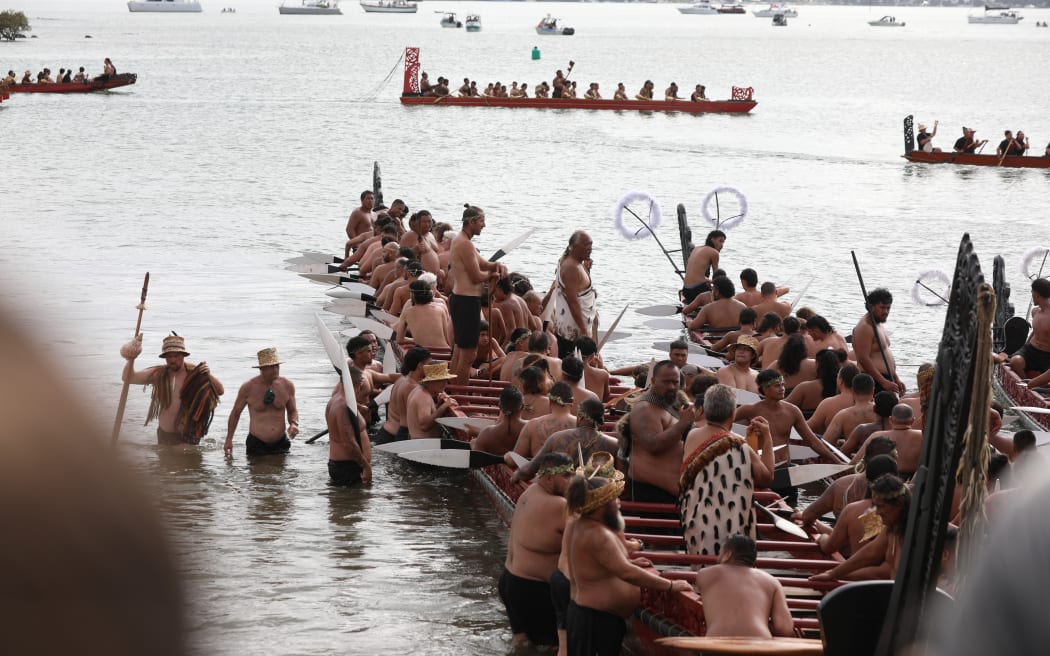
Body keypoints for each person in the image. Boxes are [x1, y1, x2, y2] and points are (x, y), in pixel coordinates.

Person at [564, 475, 692, 656]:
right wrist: (670, 585)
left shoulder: (581, 525)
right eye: (614, 499)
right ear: (601, 505)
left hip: (592, 618)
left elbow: (599, 564)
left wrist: (629, 562)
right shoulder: (597, 534)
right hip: (594, 621)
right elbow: (627, 573)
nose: (619, 503)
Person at [680, 385, 775, 555]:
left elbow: (729, 465)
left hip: (694, 526)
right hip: (729, 532)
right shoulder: (737, 443)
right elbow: (766, 477)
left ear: (705, 411)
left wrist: (748, 440)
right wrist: (767, 438)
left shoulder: (692, 436)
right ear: (733, 414)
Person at [500, 452, 575, 649]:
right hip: (533, 590)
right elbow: (589, 539)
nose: (573, 480)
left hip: (510, 581)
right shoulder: (560, 505)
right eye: (567, 476)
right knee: (555, 648)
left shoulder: (530, 493)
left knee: (523, 645)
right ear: (549, 478)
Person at [120, 333, 224, 446]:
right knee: (165, 462)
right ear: (165, 357)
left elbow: (220, 391)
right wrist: (131, 358)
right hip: (164, 435)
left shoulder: (195, 374)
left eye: (176, 356)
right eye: (169, 356)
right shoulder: (159, 374)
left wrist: (208, 375)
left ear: (183, 356)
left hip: (188, 436)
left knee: (185, 459)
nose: (173, 360)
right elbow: (128, 378)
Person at [811, 473, 910, 581]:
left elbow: (883, 573)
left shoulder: (911, 532)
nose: (877, 512)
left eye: (881, 506)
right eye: (875, 506)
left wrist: (837, 574)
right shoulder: (892, 527)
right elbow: (871, 552)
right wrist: (833, 573)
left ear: (899, 504)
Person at [735, 369, 844, 468]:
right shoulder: (750, 409)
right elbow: (723, 424)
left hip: (784, 468)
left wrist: (837, 461)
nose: (782, 389)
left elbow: (813, 441)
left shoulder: (793, 411)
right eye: (777, 386)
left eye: (783, 385)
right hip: (761, 468)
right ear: (765, 389)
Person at [449, 204, 508, 384]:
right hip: (466, 302)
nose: (484, 225)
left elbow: (482, 263)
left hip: (462, 300)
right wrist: (492, 275)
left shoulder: (464, 241)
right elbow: (476, 277)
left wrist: (495, 266)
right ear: (471, 222)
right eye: (482, 221)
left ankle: (453, 388)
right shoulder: (464, 243)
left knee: (460, 349)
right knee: (469, 354)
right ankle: (460, 393)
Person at [622, 361, 695, 503]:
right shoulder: (645, 409)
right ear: (653, 381)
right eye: (666, 382)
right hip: (651, 493)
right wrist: (682, 423)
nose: (672, 387)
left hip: (670, 492)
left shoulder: (666, 404)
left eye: (675, 382)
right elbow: (653, 445)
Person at [693, 535, 794, 637]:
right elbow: (785, 629)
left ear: (727, 555)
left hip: (716, 644)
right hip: (758, 645)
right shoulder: (772, 582)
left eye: (720, 553)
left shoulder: (705, 575)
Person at [511, 398, 617, 481]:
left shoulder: (556, 438)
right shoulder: (614, 444)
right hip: (597, 500)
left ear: (580, 417)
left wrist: (515, 476)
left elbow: (529, 471)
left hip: (561, 499)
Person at [223, 348, 298, 458]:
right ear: (262, 368)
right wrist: (229, 439)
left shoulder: (287, 385)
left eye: (277, 366)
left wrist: (294, 424)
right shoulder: (248, 387)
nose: (276, 369)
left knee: (282, 474)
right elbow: (235, 413)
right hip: (257, 444)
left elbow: (292, 410)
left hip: (281, 443)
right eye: (271, 367)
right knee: (258, 474)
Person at [551, 231, 596, 359]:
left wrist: (586, 271)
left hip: (570, 328)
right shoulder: (572, 268)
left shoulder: (574, 263)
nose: (589, 248)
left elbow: (580, 291)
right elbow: (572, 301)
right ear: (572, 247)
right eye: (586, 245)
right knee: (573, 366)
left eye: (591, 245)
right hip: (573, 332)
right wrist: (583, 331)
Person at [852, 287, 905, 394]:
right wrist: (883, 382)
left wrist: (896, 378)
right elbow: (863, 358)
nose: (886, 312)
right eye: (882, 308)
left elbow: (885, 354)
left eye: (888, 308)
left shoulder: (878, 322)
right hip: (874, 381)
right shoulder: (865, 327)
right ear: (871, 307)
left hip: (886, 379)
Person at [325, 370, 372, 486]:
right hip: (347, 467)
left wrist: (360, 407)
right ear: (357, 386)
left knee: (348, 503)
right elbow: (348, 442)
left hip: (344, 465)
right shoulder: (342, 406)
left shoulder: (334, 400)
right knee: (355, 503)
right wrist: (366, 466)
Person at [375, 346, 430, 444]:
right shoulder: (412, 387)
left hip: (386, 433)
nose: (431, 368)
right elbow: (415, 422)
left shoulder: (402, 379)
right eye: (429, 364)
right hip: (395, 437)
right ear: (420, 365)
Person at [851, 403, 922, 477]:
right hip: (915, 482)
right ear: (913, 420)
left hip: (881, 482)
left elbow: (854, 464)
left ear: (890, 419)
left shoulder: (877, 436)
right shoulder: (922, 436)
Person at [405, 362, 459, 438]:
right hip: (423, 445)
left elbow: (424, 416)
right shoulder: (424, 397)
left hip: (418, 443)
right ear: (431, 381)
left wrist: (438, 405)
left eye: (446, 380)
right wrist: (443, 406)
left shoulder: (418, 390)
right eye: (442, 380)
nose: (445, 383)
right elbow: (424, 425)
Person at [1009, 278, 1050, 379]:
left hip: (1047, 355)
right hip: (1031, 350)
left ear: (1036, 294)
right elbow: (1035, 332)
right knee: (1015, 361)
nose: (1031, 294)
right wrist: (1024, 346)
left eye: (1032, 292)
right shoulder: (1035, 311)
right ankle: (1025, 384)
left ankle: (1038, 386)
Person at [472, 386, 527, 456]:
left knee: (473, 442)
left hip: (491, 463)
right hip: (522, 466)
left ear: (499, 406)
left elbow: (476, 460)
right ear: (522, 407)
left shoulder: (486, 433)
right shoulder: (530, 428)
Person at [681, 230, 725, 305]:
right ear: (712, 239)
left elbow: (698, 275)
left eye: (723, 242)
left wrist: (709, 281)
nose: (722, 245)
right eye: (720, 241)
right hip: (698, 290)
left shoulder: (696, 249)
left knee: (708, 283)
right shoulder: (714, 253)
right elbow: (717, 278)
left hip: (685, 290)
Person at [344, 190, 376, 257]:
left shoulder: (375, 214)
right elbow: (349, 229)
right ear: (362, 200)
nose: (370, 201)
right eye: (368, 198)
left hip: (371, 247)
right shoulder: (357, 213)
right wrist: (357, 245)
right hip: (360, 247)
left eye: (372, 198)